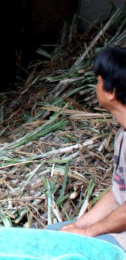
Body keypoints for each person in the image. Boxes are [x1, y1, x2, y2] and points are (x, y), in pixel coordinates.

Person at [47, 47, 126, 250]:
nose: (96, 87)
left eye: (98, 80)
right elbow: (116, 195)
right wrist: (78, 225)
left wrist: (88, 233)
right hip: (119, 234)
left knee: (62, 248)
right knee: (51, 233)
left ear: (111, 92)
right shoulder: (122, 135)